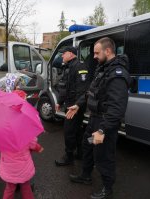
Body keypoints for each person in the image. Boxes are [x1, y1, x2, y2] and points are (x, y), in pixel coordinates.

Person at [69, 37, 132, 199]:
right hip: (94, 119)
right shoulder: (102, 68)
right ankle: (85, 175)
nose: (94, 56)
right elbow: (91, 91)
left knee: (104, 155)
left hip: (105, 123)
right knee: (87, 146)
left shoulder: (117, 73)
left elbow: (117, 108)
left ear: (108, 51)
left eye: (97, 53)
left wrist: (103, 130)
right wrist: (78, 104)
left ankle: (107, 188)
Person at [0, 84, 43, 199]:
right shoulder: (25, 132)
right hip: (23, 166)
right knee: (26, 187)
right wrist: (39, 148)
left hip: (8, 168)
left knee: (9, 189)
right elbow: (33, 144)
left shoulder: (0, 134)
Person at [54, 46, 92, 166]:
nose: (62, 56)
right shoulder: (68, 67)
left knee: (69, 131)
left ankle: (69, 157)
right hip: (70, 105)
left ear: (71, 54)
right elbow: (64, 88)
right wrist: (59, 102)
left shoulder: (80, 66)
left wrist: (77, 106)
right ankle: (80, 153)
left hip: (75, 107)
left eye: (63, 53)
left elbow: (83, 90)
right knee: (77, 131)